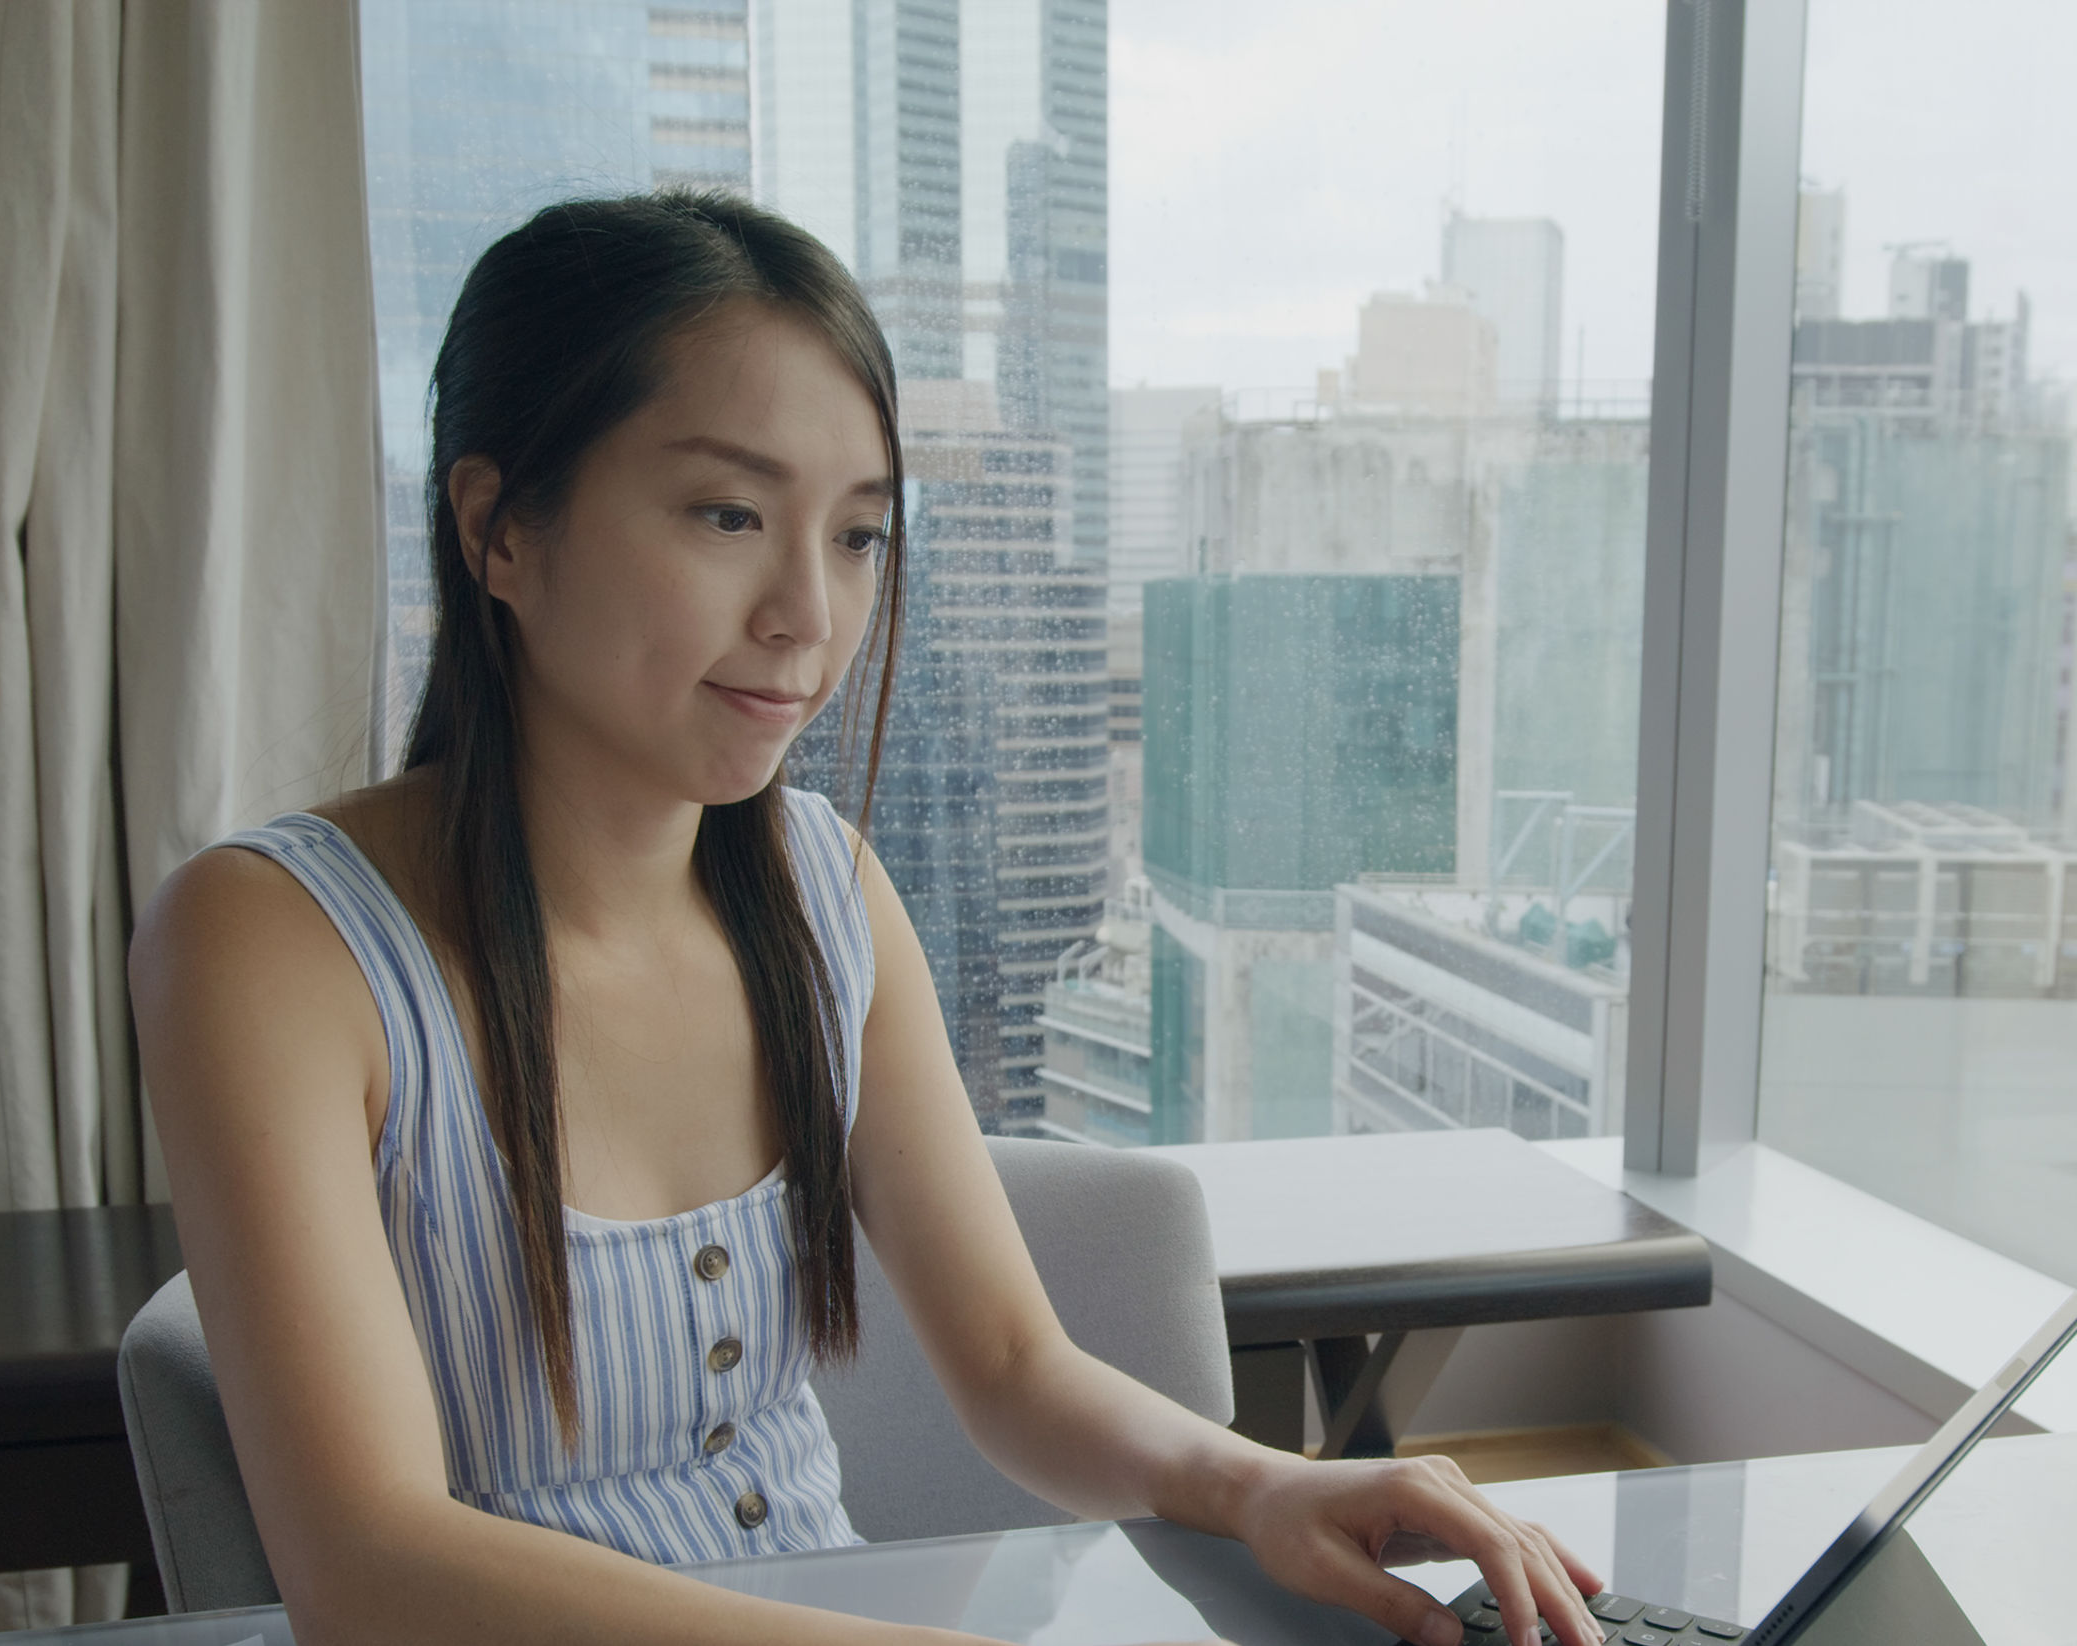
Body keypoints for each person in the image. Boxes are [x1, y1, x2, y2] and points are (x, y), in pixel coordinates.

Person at [130, 191, 1606, 1646]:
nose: (808, 615)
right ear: (499, 528)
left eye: (857, 537)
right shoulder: (269, 947)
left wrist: (1270, 1483)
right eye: (728, 513)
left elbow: (1018, 1365)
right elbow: (371, 1565)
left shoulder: (824, 894)